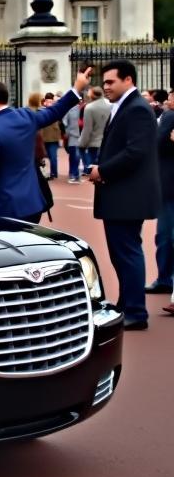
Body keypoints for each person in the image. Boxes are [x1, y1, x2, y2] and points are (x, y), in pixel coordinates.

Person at [0, 67, 92, 224]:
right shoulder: (26, 115)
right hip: (33, 203)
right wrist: (77, 87)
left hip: (9, 205)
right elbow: (55, 111)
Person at [87, 60, 161, 330]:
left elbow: (135, 152)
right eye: (104, 82)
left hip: (127, 196)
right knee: (122, 253)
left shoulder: (137, 109)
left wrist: (102, 170)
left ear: (128, 80)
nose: (105, 87)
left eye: (110, 82)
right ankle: (127, 303)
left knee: (127, 252)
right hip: (123, 194)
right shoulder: (128, 107)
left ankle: (136, 312)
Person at [150, 91, 174, 298]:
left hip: (168, 185)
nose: (168, 99)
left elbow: (156, 143)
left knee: (165, 236)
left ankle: (165, 279)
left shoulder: (169, 116)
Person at [81, 86, 108, 170]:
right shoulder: (110, 105)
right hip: (107, 141)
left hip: (94, 142)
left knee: (93, 168)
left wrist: (82, 143)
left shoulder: (89, 107)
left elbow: (87, 128)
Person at [62, 94, 84, 183]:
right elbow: (65, 122)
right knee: (75, 157)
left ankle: (74, 175)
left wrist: (67, 132)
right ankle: (74, 175)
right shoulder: (73, 109)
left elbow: (64, 122)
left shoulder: (81, 109)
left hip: (76, 136)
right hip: (75, 137)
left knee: (75, 157)